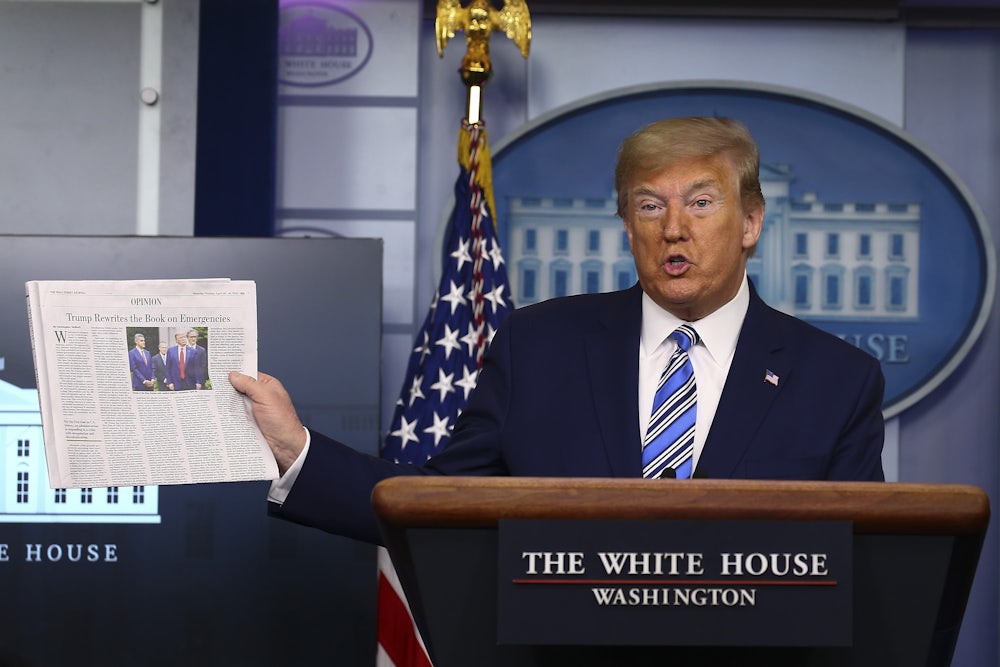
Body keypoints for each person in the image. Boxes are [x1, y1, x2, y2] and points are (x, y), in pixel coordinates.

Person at [230, 117, 885, 546]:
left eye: (702, 202)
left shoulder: (836, 380)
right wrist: (296, 448)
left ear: (750, 223)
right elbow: (433, 503)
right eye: (649, 205)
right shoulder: (539, 347)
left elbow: (872, 566)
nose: (674, 227)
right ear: (628, 227)